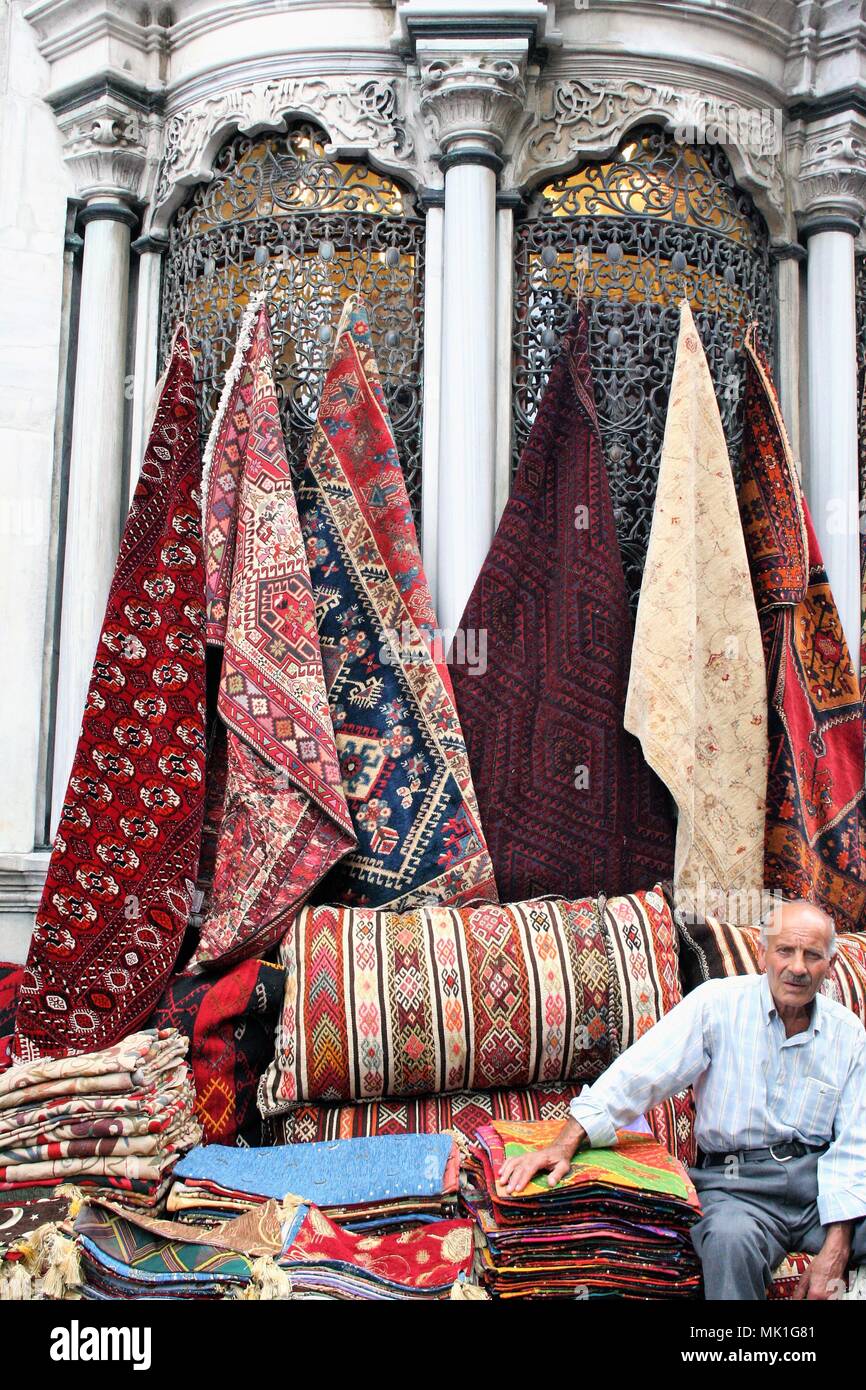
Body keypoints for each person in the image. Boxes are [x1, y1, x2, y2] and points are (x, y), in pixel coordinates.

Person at [499, 899, 866, 1300]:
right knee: (729, 1240)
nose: (797, 967)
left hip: (817, 1187)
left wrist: (838, 1240)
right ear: (762, 954)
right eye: (785, 951)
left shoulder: (848, 1034)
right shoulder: (718, 1005)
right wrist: (564, 1143)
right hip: (737, 1188)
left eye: (812, 955)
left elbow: (854, 1142)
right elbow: (640, 1072)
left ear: (829, 966)